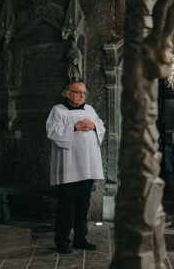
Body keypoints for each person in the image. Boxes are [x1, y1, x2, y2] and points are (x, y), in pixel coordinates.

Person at [46, 81, 105, 254]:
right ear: (68, 93)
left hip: (87, 166)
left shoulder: (90, 110)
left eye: (84, 93)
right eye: (78, 92)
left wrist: (94, 126)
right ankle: (62, 241)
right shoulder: (58, 111)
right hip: (69, 167)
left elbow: (101, 126)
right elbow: (51, 131)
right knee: (66, 206)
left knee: (83, 205)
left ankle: (80, 238)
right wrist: (74, 126)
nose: (82, 96)